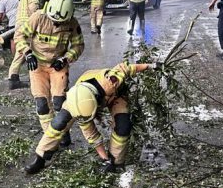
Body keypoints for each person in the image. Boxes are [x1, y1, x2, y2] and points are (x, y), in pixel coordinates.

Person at [24, 61, 162, 175]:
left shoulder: (111, 80)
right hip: (83, 97)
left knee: (123, 126)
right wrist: (103, 158)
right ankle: (40, 158)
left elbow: (127, 68)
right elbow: (91, 133)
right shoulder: (75, 103)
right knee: (58, 123)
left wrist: (151, 66)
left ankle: (116, 162)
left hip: (116, 95)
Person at [17, 0, 84, 147]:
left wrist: (66, 58)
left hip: (57, 65)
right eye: (53, 21)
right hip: (38, 66)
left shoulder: (72, 24)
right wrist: (27, 53)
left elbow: (78, 45)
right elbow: (20, 35)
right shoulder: (38, 17)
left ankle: (63, 131)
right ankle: (50, 136)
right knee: (42, 104)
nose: (56, 25)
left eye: (60, 23)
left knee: (60, 103)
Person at [8, 0, 42, 90]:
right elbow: (33, 10)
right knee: (32, 50)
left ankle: (13, 78)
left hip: (19, 25)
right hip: (27, 25)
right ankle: (37, 77)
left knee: (20, 52)